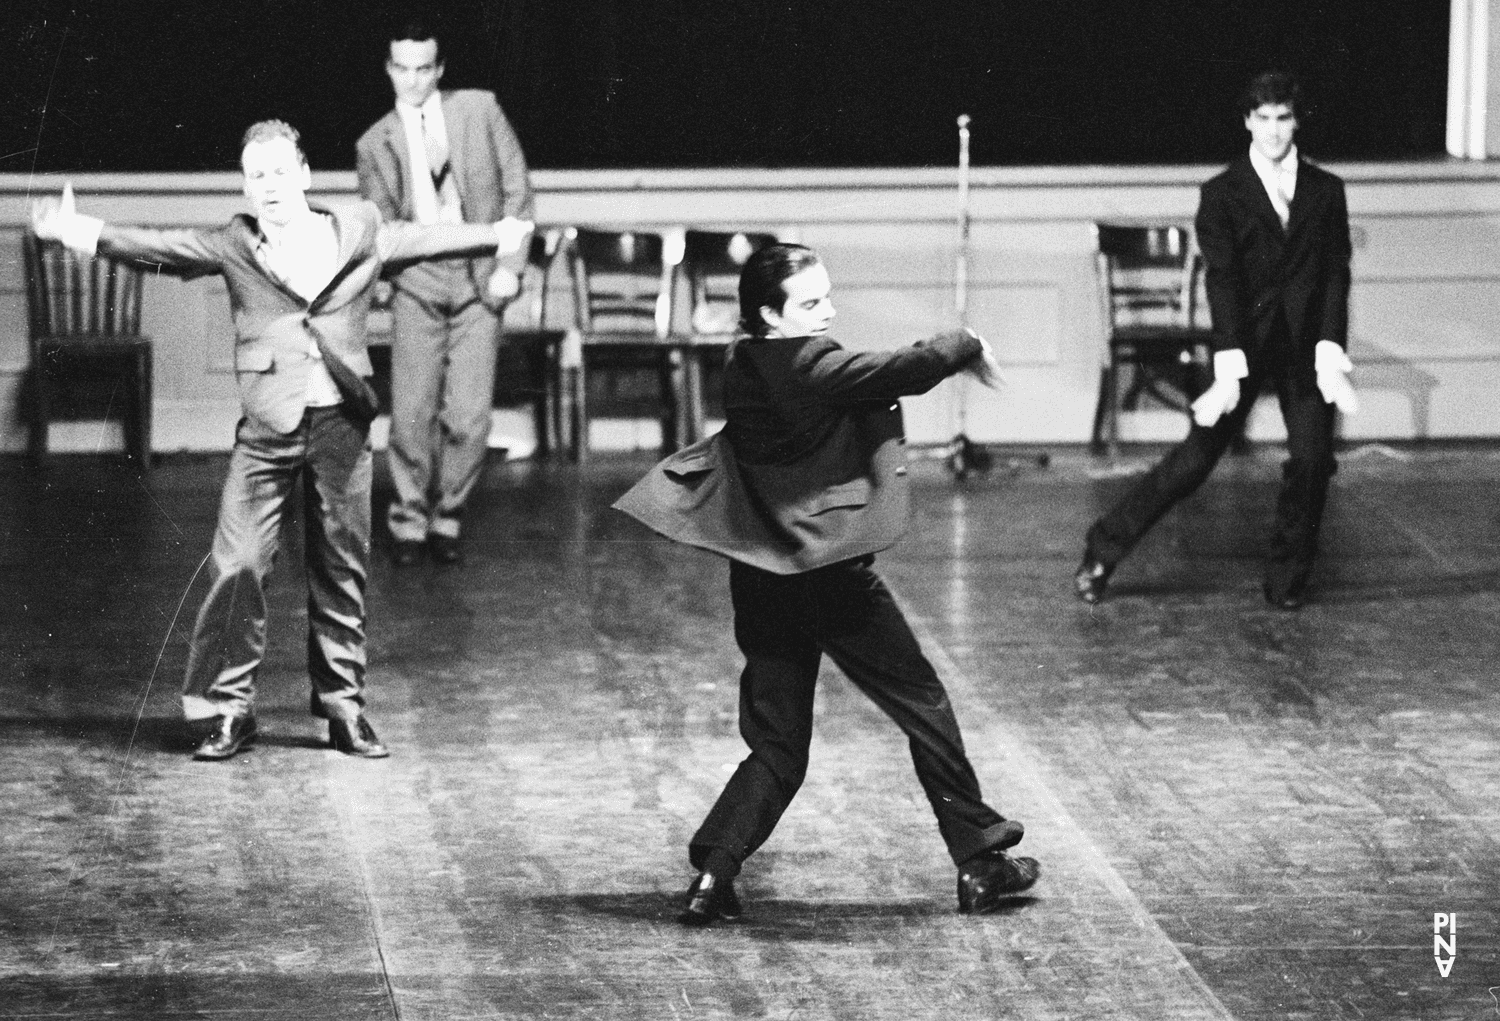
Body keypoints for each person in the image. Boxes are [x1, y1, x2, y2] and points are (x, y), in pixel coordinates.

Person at [32, 120, 532, 761]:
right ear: (246, 185)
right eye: (254, 175)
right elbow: (159, 247)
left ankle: (344, 710)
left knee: (341, 569)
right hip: (267, 428)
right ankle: (227, 711)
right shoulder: (234, 243)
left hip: (341, 426)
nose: (267, 186)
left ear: (302, 175)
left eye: (277, 171)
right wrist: (77, 231)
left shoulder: (358, 229)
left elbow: (429, 237)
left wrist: (498, 233)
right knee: (236, 564)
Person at [614, 243, 1040, 924]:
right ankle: (982, 859)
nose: (828, 312)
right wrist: (967, 342)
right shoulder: (808, 363)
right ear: (769, 315)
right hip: (827, 577)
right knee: (921, 701)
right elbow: (900, 367)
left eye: (826, 297)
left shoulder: (743, 362)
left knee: (779, 743)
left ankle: (713, 873)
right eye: (810, 303)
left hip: (762, 574)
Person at [1075, 71, 1357, 610]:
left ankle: (1286, 578)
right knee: (1195, 460)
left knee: (1315, 460)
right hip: (1242, 346)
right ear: (1248, 122)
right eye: (1264, 119)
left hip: (1305, 351)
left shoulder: (1327, 191)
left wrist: (1329, 349)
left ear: (1296, 122)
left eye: (1284, 119)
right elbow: (1222, 278)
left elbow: (1335, 273)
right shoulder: (1222, 193)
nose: (1275, 132)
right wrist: (1229, 361)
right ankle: (1103, 547)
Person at [356, 16, 535, 566]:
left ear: (439, 69)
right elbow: (381, 226)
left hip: (480, 278)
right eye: (402, 69)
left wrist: (510, 265)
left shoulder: (479, 108)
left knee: (469, 416)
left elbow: (517, 192)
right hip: (418, 282)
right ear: (389, 70)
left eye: (423, 69)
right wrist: (386, 285)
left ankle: (448, 514)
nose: (413, 81)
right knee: (410, 412)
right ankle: (408, 520)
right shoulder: (373, 142)